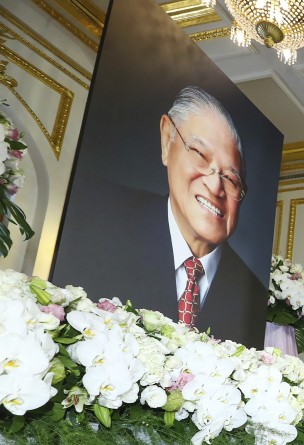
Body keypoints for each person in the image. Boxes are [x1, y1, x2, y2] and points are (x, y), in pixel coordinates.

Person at [53, 86, 267, 348]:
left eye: (231, 179)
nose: (215, 187)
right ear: (167, 140)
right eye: (200, 154)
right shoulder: (93, 219)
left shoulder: (253, 298)